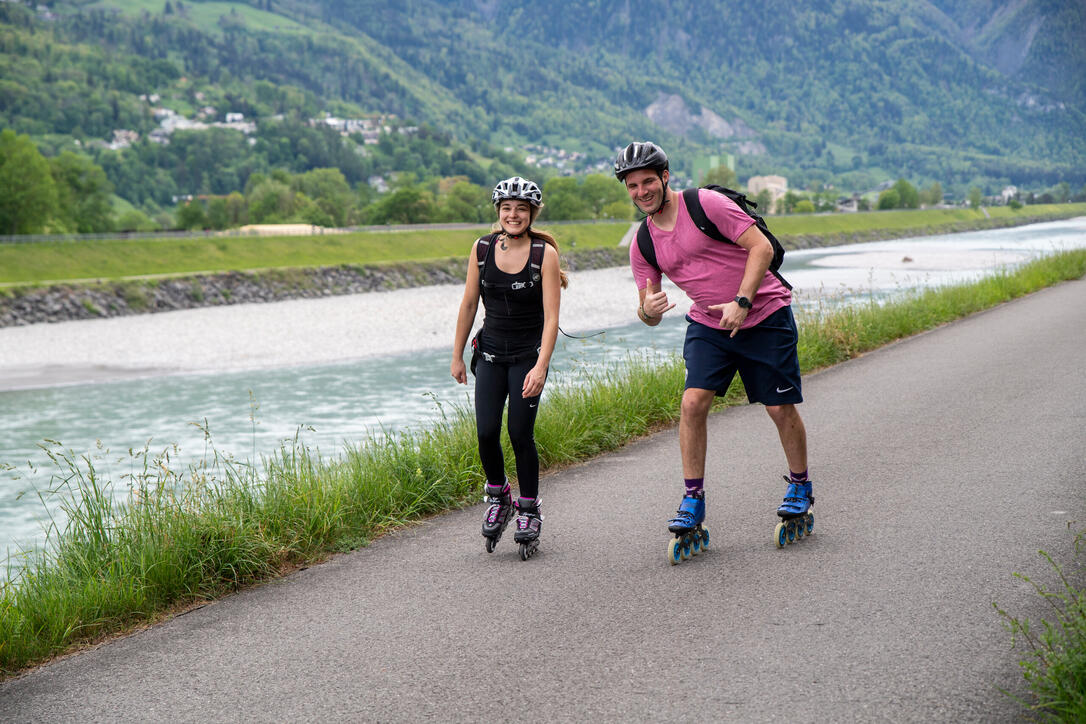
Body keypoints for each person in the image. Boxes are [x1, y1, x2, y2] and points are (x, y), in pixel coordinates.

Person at [614, 141, 813, 554]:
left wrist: (742, 302)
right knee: (692, 403)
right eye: (632, 186)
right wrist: (647, 311)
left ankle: (800, 486)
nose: (641, 191)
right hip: (709, 324)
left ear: (665, 177)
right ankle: (693, 498)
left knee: (778, 407)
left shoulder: (706, 204)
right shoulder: (643, 244)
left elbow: (762, 248)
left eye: (648, 181)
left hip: (763, 314)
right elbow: (647, 312)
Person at [451, 177, 567, 559]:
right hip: (489, 354)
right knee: (486, 432)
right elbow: (469, 304)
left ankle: (529, 509)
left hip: (526, 358)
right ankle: (499, 495)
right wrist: (456, 355)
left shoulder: (542, 255)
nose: (513, 214)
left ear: (531, 213)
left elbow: (552, 319)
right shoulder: (482, 249)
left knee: (519, 432)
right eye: (506, 208)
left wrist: (541, 365)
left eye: (521, 209)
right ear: (498, 212)